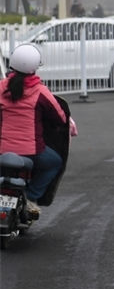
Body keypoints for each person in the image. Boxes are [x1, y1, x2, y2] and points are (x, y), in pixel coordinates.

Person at [0, 44, 69, 216]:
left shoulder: (1, 87)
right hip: (32, 153)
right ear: (35, 67)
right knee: (54, 162)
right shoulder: (40, 91)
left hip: (2, 150)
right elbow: (60, 118)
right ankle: (31, 196)